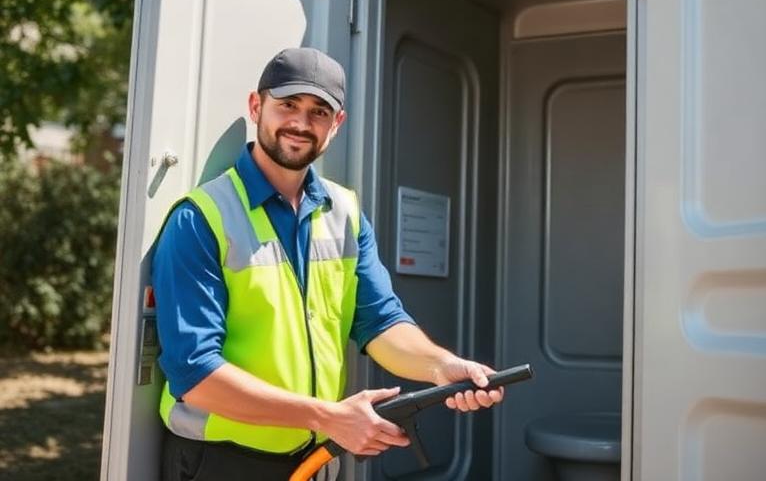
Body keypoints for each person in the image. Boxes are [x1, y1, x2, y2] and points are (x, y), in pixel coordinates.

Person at [152, 47, 503, 480]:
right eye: (287, 105)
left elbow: (380, 323)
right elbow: (195, 374)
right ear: (256, 106)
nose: (301, 123)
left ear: (336, 125)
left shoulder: (344, 212)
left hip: (314, 461)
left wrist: (442, 367)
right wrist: (327, 417)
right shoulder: (201, 217)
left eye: (319, 111)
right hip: (219, 463)